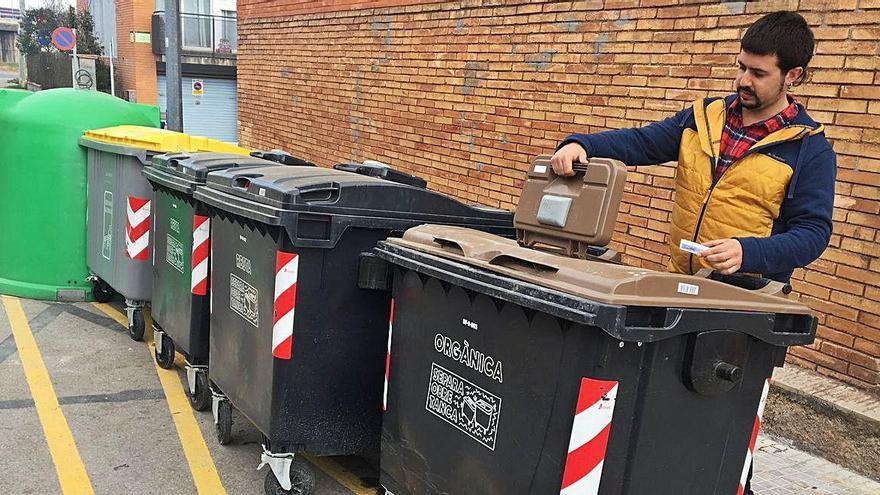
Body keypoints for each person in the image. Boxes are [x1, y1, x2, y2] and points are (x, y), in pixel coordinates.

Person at [551, 11, 836, 288]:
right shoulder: (704, 118)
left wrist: (747, 252)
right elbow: (641, 142)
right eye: (741, 67)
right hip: (681, 283)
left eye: (758, 73)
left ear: (793, 75)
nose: (743, 81)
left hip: (746, 301)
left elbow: (813, 233)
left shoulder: (809, 148)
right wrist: (583, 144)